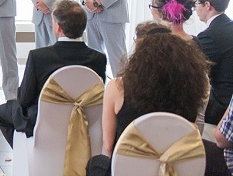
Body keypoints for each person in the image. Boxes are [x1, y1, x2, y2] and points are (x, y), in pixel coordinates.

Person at [87, 23, 225, 176]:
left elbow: (108, 146)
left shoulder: (117, 87)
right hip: (178, 168)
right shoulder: (192, 87)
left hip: (127, 168)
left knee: (95, 164)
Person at [0, 0, 106, 147]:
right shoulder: (99, 59)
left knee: (1, 112)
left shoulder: (39, 57)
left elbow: (25, 99)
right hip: (85, 120)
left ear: (58, 28)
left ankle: (26, 153)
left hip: (44, 121)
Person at [194, 0, 233, 125]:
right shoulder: (229, 26)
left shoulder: (210, 36)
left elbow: (193, 69)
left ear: (208, 5)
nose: (195, 9)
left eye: (196, 3)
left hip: (221, 106)